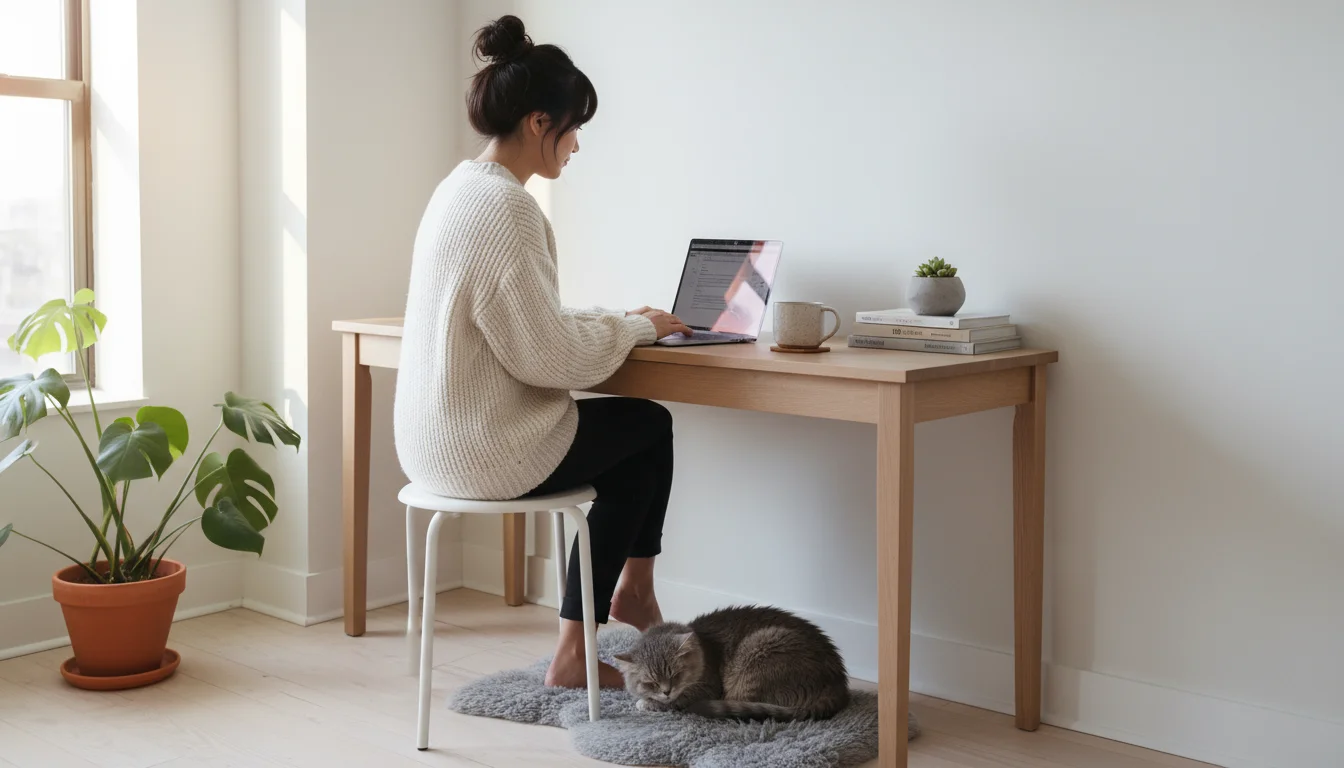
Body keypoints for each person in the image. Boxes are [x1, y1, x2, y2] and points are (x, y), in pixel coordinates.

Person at [393, 15, 691, 689]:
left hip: (431, 445)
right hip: (484, 449)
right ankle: (621, 608)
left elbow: (523, 321)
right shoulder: (510, 209)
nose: (577, 145)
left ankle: (592, 634)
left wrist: (619, 319)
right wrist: (638, 330)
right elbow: (548, 358)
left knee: (632, 468)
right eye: (573, 127)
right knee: (650, 424)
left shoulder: (458, 190)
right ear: (538, 123)